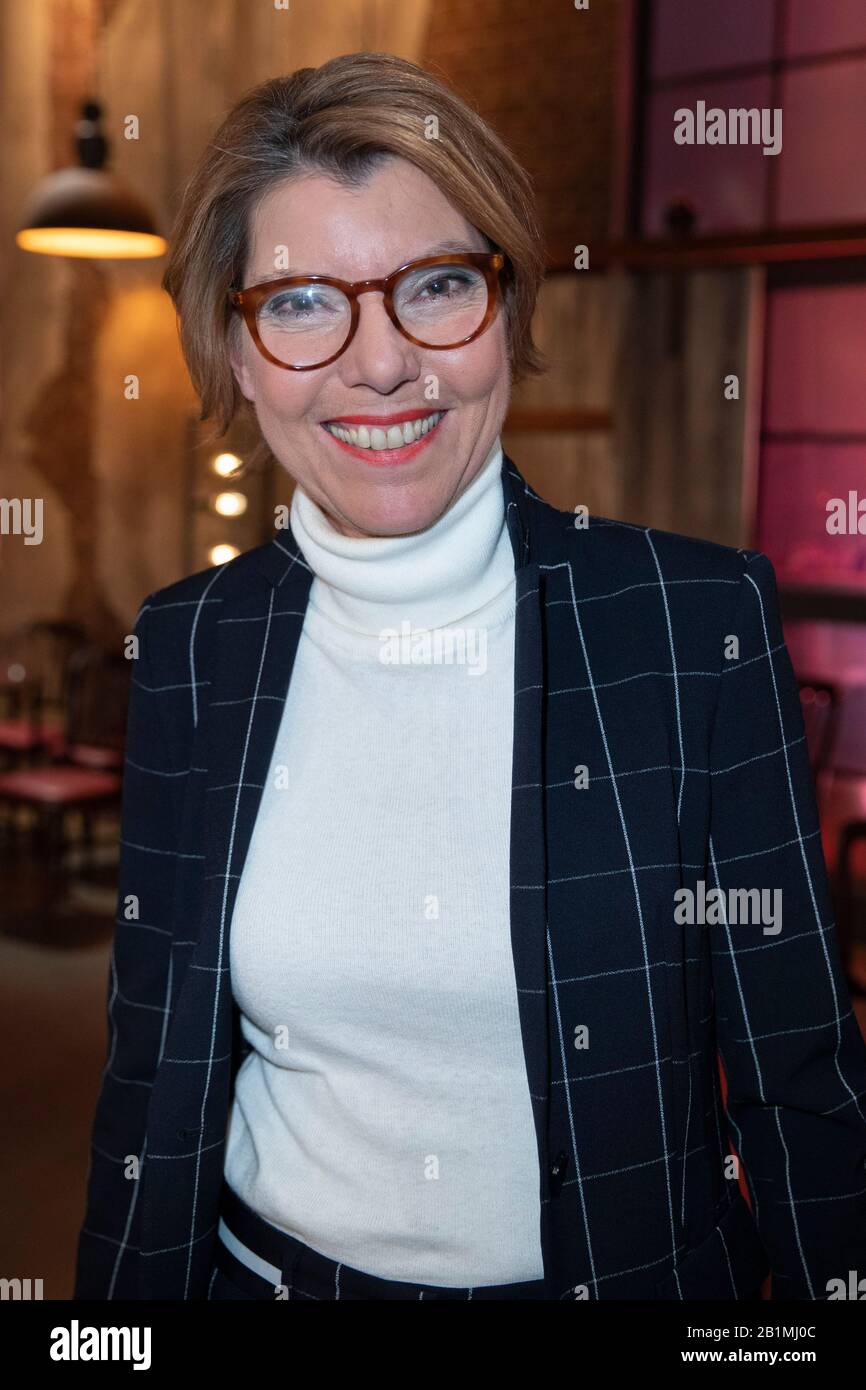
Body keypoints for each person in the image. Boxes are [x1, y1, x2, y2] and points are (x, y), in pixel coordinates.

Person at [74, 51, 866, 1302]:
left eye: (436, 286)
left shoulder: (689, 620)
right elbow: (151, 1072)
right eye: (297, 303)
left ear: (506, 308)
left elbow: (798, 1078)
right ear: (230, 349)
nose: (379, 363)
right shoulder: (189, 645)